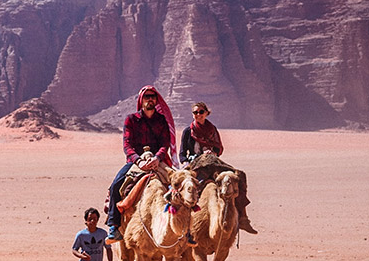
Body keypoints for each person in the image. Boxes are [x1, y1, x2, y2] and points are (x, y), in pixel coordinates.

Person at [105, 85, 177, 243]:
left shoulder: (161, 121)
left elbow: (165, 144)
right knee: (116, 185)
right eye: (147, 96)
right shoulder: (131, 120)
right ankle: (114, 226)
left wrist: (157, 158)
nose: (150, 99)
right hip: (137, 161)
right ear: (141, 99)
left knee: (180, 184)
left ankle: (186, 228)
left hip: (157, 161)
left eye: (153, 96)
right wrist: (139, 160)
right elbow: (127, 145)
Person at [179, 101, 258, 234]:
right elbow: (182, 153)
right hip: (196, 164)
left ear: (206, 113)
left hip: (213, 163)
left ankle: (243, 218)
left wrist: (213, 152)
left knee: (238, 175)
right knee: (185, 188)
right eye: (195, 112)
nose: (198, 115)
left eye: (201, 112)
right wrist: (188, 162)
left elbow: (218, 148)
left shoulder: (212, 129)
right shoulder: (188, 131)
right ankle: (183, 225)